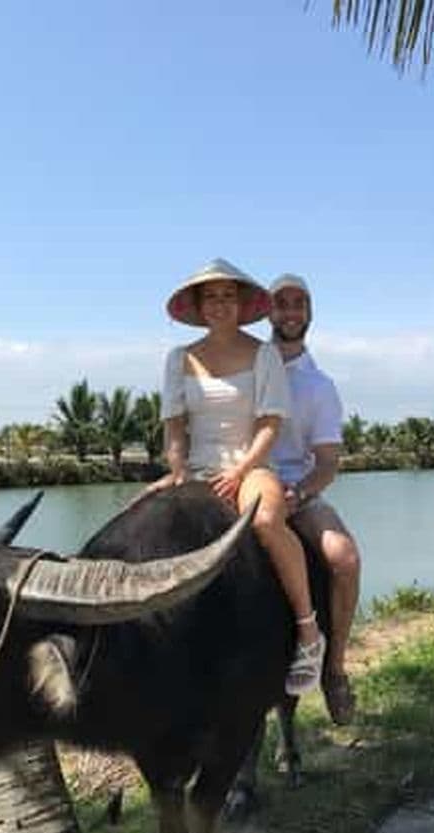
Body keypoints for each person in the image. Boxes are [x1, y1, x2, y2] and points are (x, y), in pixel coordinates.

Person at [158, 257, 325, 695]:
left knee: (268, 521)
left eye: (227, 296)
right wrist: (177, 471)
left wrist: (243, 469)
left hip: (249, 464)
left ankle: (308, 631)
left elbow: (270, 422)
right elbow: (174, 427)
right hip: (196, 467)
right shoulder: (180, 358)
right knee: (141, 522)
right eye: (210, 297)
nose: (219, 304)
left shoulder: (263, 353)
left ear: (241, 303)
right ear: (198, 306)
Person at [268, 273, 362, 723]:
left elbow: (327, 463)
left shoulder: (320, 387)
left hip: (296, 492)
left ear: (308, 314)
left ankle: (335, 669)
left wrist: (299, 492)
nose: (289, 312)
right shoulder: (247, 367)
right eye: (280, 303)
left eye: (298, 304)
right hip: (240, 483)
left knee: (343, 558)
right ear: (267, 311)